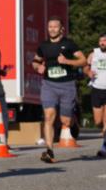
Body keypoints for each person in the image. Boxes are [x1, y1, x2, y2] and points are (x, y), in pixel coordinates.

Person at [31, 16, 87, 163]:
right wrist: (38, 67)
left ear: (61, 29)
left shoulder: (69, 44)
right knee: (49, 117)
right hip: (49, 85)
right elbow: (35, 61)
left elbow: (83, 60)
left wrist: (67, 61)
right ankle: (49, 150)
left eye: (55, 27)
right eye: (50, 27)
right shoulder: (43, 46)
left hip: (67, 85)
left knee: (65, 121)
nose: (52, 29)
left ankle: (74, 123)